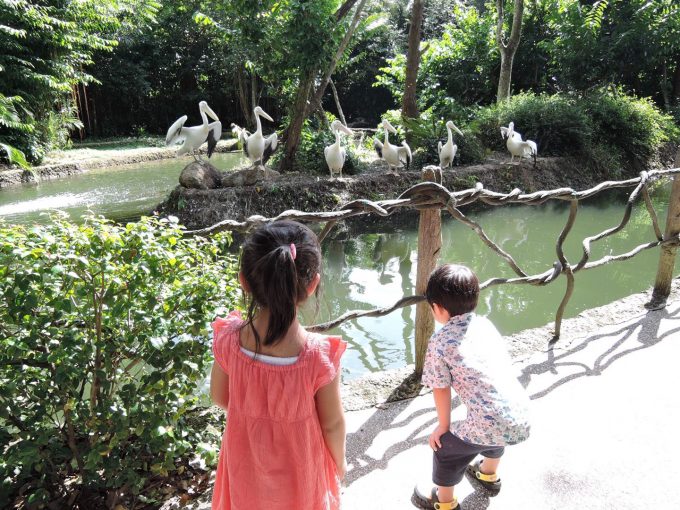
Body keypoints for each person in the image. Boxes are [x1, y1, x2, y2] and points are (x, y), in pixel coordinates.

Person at [210, 220, 347, 510]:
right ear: (312, 285)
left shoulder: (228, 340)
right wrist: (341, 462)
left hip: (244, 470)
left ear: (243, 281)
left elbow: (220, 397)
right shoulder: (319, 357)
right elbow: (332, 424)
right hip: (302, 477)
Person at [412, 264, 531, 510]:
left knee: (445, 449)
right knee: (491, 427)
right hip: (520, 416)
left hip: (492, 423)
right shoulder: (485, 325)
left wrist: (443, 428)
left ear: (438, 308)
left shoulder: (440, 341)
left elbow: (440, 387)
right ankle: (488, 476)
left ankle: (444, 502)